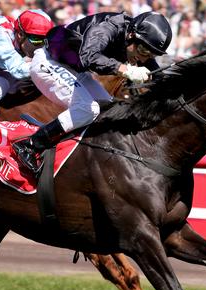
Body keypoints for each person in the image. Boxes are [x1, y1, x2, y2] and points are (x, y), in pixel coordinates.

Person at [12, 11, 172, 174]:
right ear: (131, 35)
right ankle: (29, 145)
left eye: (151, 55)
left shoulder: (137, 41)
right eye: (144, 52)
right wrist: (125, 69)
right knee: (89, 109)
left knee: (109, 109)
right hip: (49, 62)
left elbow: (157, 73)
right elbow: (88, 56)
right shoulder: (108, 27)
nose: (144, 59)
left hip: (75, 70)